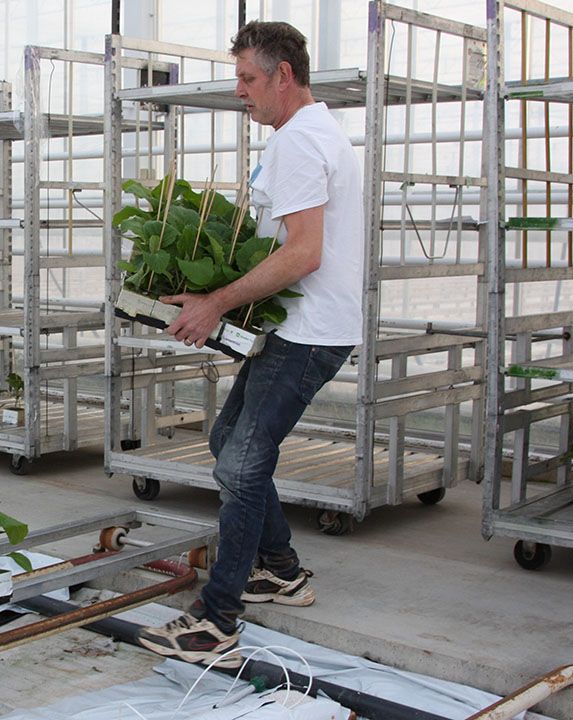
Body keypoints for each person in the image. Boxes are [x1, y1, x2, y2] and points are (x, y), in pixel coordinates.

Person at [136, 20, 363, 666]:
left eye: (247, 78)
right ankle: (280, 570)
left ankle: (217, 621)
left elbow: (304, 254)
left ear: (282, 75)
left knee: (240, 464)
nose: (239, 91)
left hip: (308, 333)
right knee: (226, 445)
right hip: (305, 327)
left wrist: (215, 302)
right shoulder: (313, 133)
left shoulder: (297, 142)